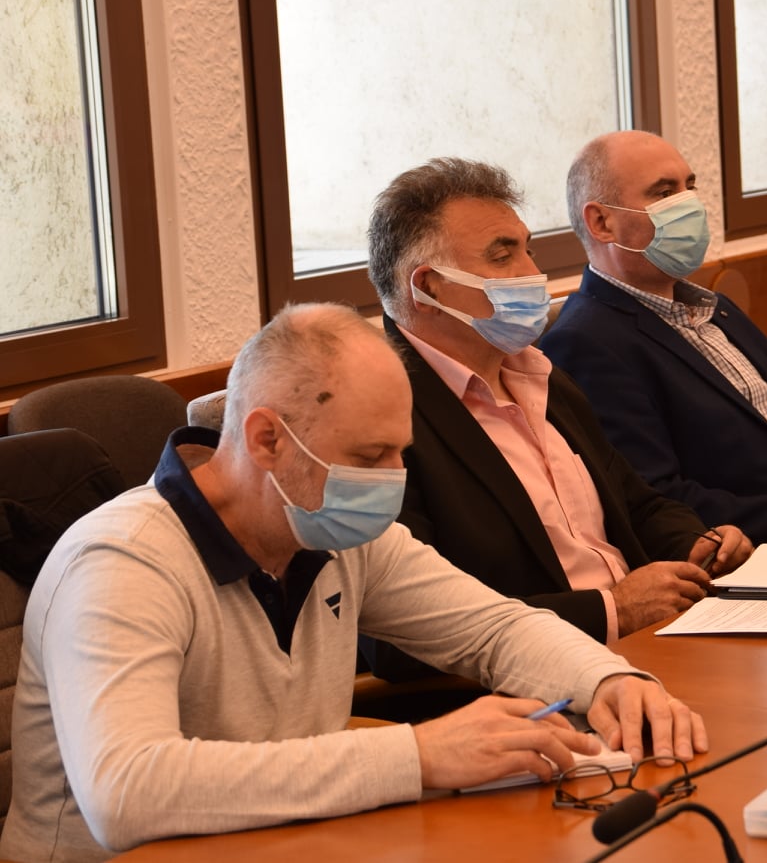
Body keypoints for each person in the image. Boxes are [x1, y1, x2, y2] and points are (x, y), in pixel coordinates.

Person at [0, 304, 705, 862]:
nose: (392, 482)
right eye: (369, 456)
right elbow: (126, 791)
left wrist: (607, 680)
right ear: (267, 439)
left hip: (286, 841)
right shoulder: (121, 561)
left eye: (400, 453)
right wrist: (418, 755)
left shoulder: (334, 532)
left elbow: (493, 628)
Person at [367, 159, 752, 651]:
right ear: (427, 287)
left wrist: (696, 543)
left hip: (652, 639)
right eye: (502, 257)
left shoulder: (541, 375)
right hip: (537, 674)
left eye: (528, 250)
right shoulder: (376, 421)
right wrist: (611, 611)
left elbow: (636, 502)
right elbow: (401, 630)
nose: (533, 274)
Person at [540, 131, 767, 544]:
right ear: (601, 223)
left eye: (690, 186)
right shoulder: (585, 343)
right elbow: (661, 501)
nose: (689, 204)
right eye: (664, 193)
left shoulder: (717, 309)